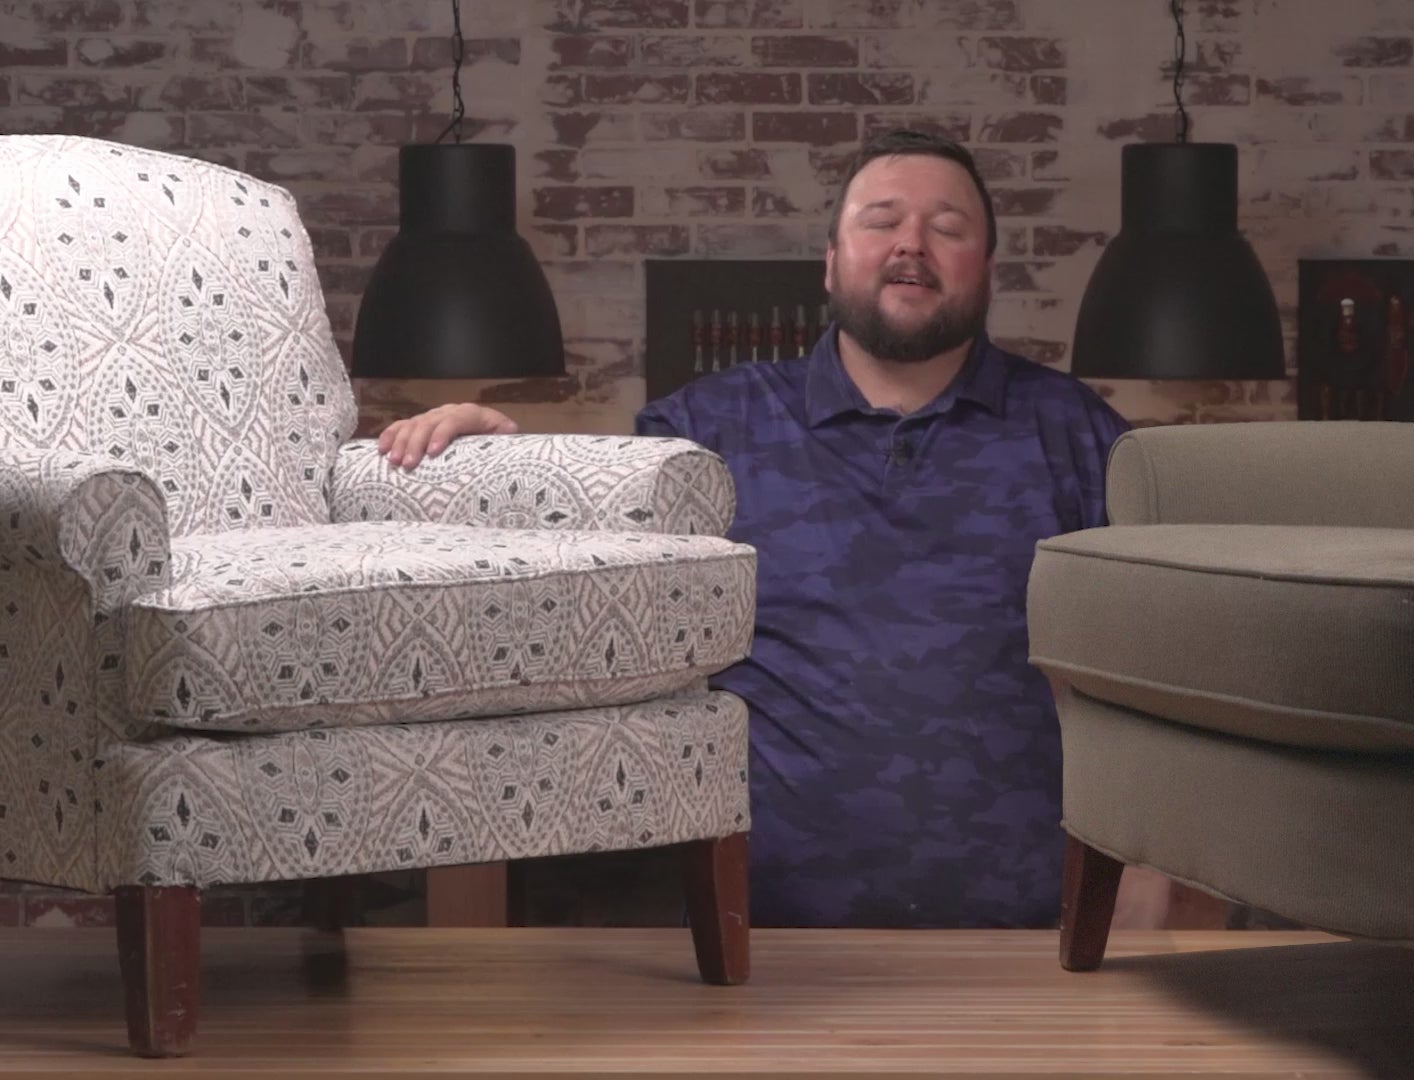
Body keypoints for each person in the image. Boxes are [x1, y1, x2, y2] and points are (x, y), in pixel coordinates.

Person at [376, 129, 1131, 928]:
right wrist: (495, 466)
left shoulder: (1075, 433)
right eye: (882, 221)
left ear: (987, 267)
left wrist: (1147, 870)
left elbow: (1158, 671)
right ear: (831, 262)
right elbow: (575, 580)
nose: (912, 243)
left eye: (947, 227)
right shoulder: (709, 431)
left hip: (1030, 937)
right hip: (755, 941)